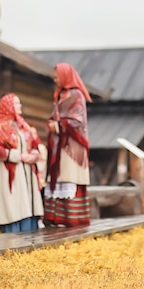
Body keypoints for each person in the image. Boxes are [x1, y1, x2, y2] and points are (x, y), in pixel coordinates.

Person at [0, 93, 44, 233]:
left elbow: (33, 143)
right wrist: (18, 156)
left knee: (26, 204)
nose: (20, 106)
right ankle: (11, 235)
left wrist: (34, 155)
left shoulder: (22, 125)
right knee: (12, 205)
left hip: (26, 171)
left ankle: (29, 233)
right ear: (8, 106)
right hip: (6, 171)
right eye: (16, 103)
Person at [44, 63, 92, 227]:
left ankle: (72, 218)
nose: (54, 79)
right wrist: (52, 122)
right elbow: (56, 114)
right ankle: (56, 218)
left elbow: (77, 121)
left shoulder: (76, 94)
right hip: (59, 143)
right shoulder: (60, 93)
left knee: (69, 177)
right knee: (59, 177)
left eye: (57, 76)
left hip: (72, 145)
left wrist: (58, 125)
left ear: (65, 76)